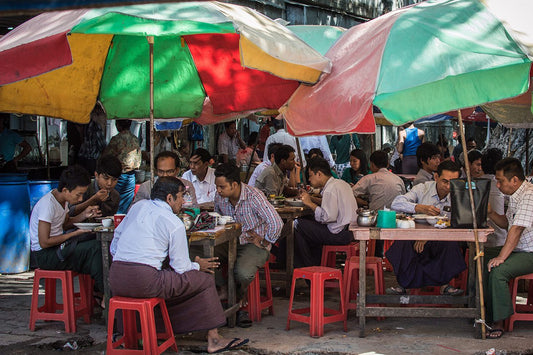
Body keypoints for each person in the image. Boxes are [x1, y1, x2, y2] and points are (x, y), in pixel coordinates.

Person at [109, 177, 249, 353]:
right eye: (181, 196)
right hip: (145, 281)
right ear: (169, 198)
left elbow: (115, 244)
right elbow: (181, 268)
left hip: (116, 277)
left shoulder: (138, 207)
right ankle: (214, 339)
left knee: (169, 277)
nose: (183, 201)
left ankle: (128, 332)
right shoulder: (174, 222)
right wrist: (198, 265)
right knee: (204, 280)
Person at [213, 163, 283, 326]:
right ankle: (223, 289)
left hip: (252, 244)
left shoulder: (254, 196)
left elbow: (276, 223)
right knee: (204, 254)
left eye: (222, 187)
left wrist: (265, 241)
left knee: (243, 273)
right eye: (217, 187)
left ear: (235, 184)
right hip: (229, 242)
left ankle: (239, 299)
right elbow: (217, 218)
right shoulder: (220, 197)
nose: (218, 191)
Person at [386, 160, 465, 295]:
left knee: (451, 245)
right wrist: (419, 207)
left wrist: (428, 236)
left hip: (441, 240)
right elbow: (396, 203)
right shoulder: (422, 189)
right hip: (415, 239)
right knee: (402, 243)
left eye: (453, 183)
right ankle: (404, 284)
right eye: (445, 182)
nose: (448, 187)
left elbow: (461, 220)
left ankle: (444, 284)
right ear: (436, 177)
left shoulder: (459, 195)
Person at [29, 166, 104, 299]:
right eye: (78, 194)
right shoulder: (48, 205)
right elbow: (44, 242)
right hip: (46, 255)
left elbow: (65, 224)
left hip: (57, 248)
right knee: (95, 249)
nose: (80, 199)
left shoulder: (62, 201)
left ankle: (99, 291)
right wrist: (74, 234)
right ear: (65, 190)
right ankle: (104, 293)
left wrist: (84, 215)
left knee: (96, 242)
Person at [483, 158, 533, 339]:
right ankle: (484, 310)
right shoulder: (515, 195)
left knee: (499, 270)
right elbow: (506, 223)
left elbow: (516, 229)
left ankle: (499, 321)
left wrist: (502, 257)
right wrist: (490, 213)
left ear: (514, 180)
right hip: (520, 249)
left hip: (530, 252)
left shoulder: (529, 195)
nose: (497, 185)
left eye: (500, 181)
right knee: (482, 256)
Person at [294, 157, 358, 267]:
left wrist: (310, 203)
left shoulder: (330, 189)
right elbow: (330, 204)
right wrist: (312, 198)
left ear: (319, 174)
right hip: (350, 231)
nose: (309, 179)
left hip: (339, 234)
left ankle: (309, 267)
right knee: (308, 224)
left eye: (310, 175)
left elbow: (327, 217)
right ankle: (315, 264)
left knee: (296, 224)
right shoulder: (341, 183)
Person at [131, 151, 197, 208]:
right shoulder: (146, 187)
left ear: (177, 170)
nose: (165, 175)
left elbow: (194, 209)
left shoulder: (186, 186)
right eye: (161, 171)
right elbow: (135, 210)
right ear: (156, 171)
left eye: (169, 171)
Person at [102, 120, 141, 214]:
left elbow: (107, 156)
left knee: (116, 202)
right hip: (131, 175)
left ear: (118, 125)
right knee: (126, 205)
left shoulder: (116, 139)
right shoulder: (135, 138)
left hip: (119, 175)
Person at [478, 149, 507, 248]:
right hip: (500, 240)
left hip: (478, 239)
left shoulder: (474, 185)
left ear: (482, 166)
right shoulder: (503, 186)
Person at [77, 103, 107, 175]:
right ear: (96, 115)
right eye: (102, 115)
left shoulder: (86, 124)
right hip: (91, 161)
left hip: (82, 159)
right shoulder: (96, 126)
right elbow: (102, 145)